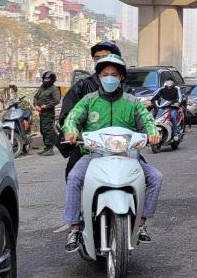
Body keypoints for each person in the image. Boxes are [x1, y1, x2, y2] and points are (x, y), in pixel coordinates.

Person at [62, 55, 162, 251]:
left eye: (114, 75)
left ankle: (141, 224)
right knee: (74, 177)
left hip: (128, 156)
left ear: (122, 77)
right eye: (105, 74)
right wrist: (71, 130)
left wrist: (153, 133)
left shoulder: (133, 102)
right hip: (94, 156)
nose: (109, 78)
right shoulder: (88, 101)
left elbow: (147, 121)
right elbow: (72, 117)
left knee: (155, 177)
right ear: (99, 77)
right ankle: (74, 228)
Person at [59, 41, 123, 178]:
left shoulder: (127, 91)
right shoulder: (83, 86)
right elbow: (68, 114)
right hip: (89, 145)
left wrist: (151, 132)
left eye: (105, 56)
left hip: (121, 145)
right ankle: (75, 200)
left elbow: (142, 116)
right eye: (97, 58)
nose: (101, 60)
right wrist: (72, 131)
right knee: (72, 173)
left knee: (147, 176)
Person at [34, 71, 61, 156]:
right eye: (44, 78)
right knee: (43, 130)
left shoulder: (54, 89)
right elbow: (36, 96)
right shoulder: (42, 87)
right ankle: (47, 147)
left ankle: (50, 148)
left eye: (47, 79)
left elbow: (57, 100)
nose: (45, 80)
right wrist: (35, 105)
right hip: (41, 112)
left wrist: (46, 106)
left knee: (48, 130)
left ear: (52, 79)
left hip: (48, 113)